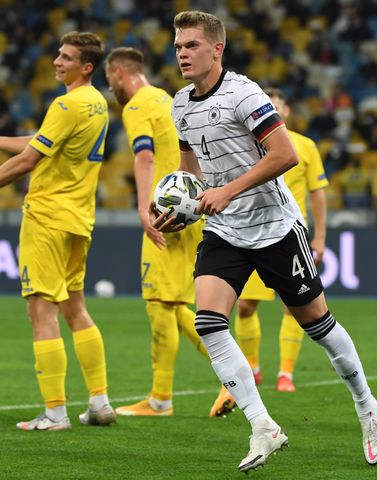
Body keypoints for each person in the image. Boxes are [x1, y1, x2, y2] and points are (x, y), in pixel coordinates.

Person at [153, 11, 377, 473]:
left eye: (192, 45)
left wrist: (227, 190)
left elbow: (285, 155)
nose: (182, 53)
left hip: (275, 226)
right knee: (209, 322)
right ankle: (263, 426)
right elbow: (191, 172)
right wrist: (184, 209)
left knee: (316, 324)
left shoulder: (245, 94)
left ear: (217, 49)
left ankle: (366, 405)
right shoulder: (180, 104)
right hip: (224, 230)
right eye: (178, 46)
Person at [0, 31, 116, 431]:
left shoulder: (66, 102)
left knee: (41, 310)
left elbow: (29, 160)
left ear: (86, 67)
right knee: (76, 308)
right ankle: (101, 403)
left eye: (66, 57)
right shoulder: (95, 103)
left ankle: (55, 413)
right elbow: (44, 141)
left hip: (48, 217)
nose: (57, 60)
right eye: (58, 53)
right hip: (79, 219)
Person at [103, 46, 235, 418]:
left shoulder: (136, 106)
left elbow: (143, 156)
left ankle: (162, 398)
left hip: (167, 213)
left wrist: (145, 208)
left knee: (159, 303)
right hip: (191, 209)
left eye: (110, 78)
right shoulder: (166, 98)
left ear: (119, 74)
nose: (110, 84)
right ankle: (233, 376)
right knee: (172, 303)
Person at [234, 87, 329, 393]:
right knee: (246, 305)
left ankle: (285, 374)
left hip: (289, 235)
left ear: (285, 111)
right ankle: (253, 367)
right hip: (254, 233)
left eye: (275, 106)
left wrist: (321, 237)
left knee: (295, 306)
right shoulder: (247, 145)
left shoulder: (305, 146)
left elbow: (318, 193)